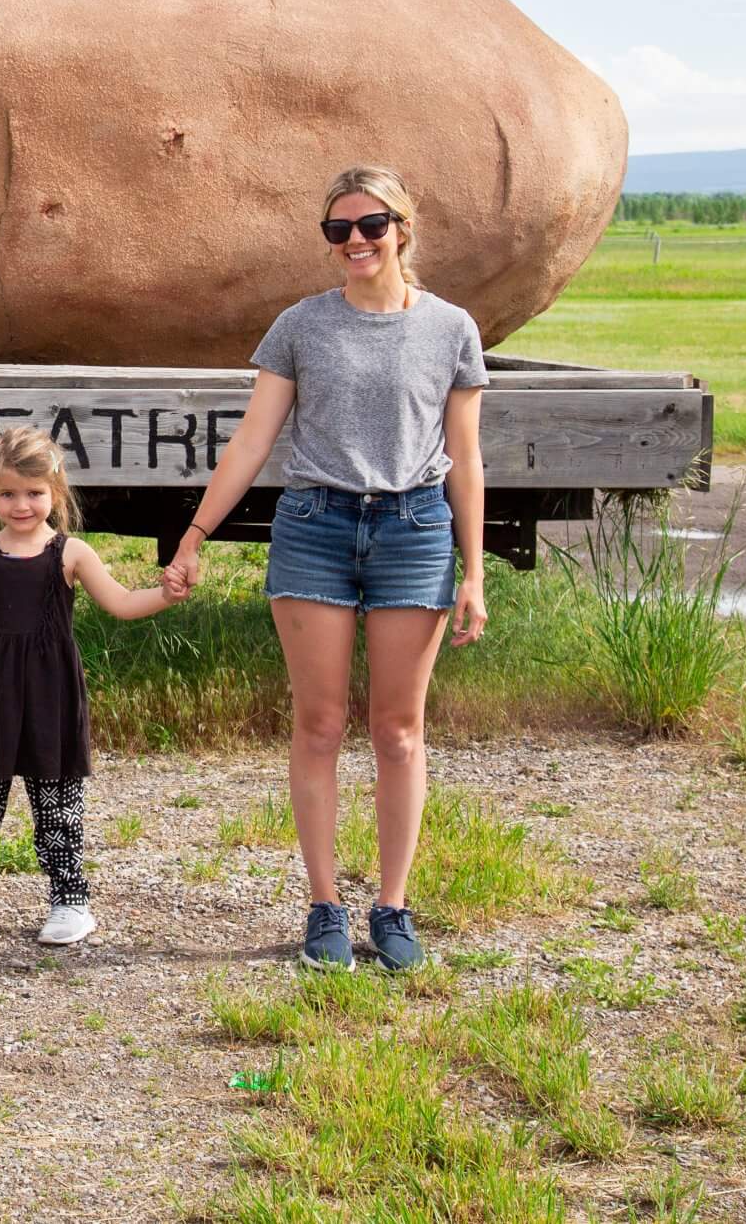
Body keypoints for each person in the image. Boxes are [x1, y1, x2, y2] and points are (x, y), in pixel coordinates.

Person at [164, 163, 488, 973]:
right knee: (318, 724)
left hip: (414, 529)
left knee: (399, 730)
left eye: (371, 226)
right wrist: (195, 533)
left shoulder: (451, 329)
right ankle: (323, 906)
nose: (355, 242)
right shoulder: (301, 327)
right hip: (314, 526)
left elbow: (467, 460)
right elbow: (252, 440)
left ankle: (394, 906)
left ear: (402, 229)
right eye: (338, 230)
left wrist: (473, 571)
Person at [0, 427, 185, 945]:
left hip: (52, 696)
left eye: (34, 493)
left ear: (56, 492)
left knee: (57, 806)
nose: (22, 505)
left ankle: (71, 902)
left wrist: (166, 595)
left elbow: (122, 603)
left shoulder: (72, 554)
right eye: (8, 494)